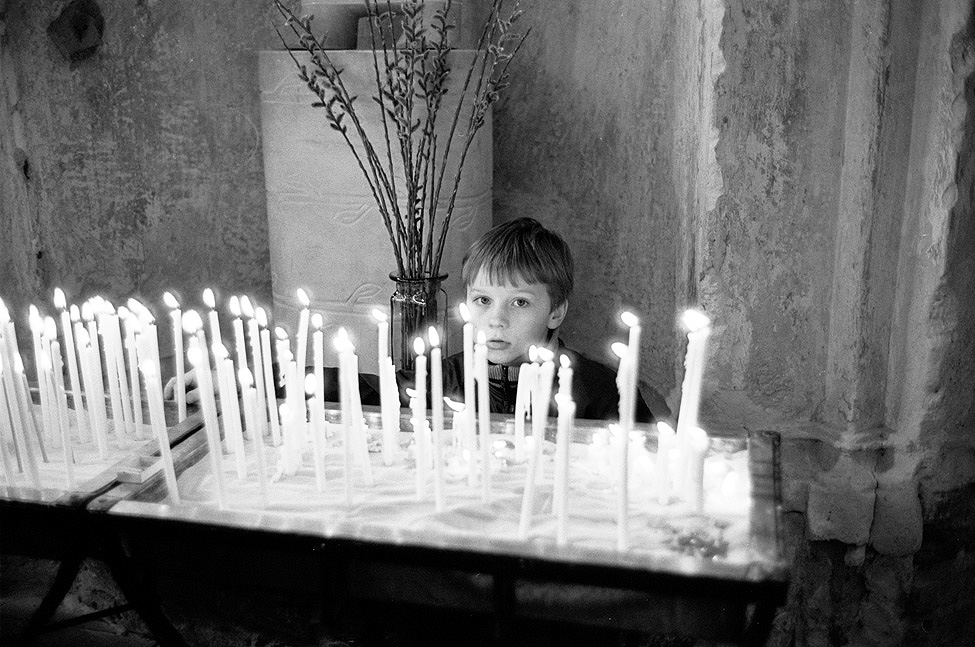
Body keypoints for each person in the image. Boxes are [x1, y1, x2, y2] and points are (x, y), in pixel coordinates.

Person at [168, 217, 655, 423]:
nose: (496, 320)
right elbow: (358, 387)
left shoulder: (601, 391)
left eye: (520, 303)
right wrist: (247, 378)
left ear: (558, 310)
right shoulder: (444, 378)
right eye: (483, 300)